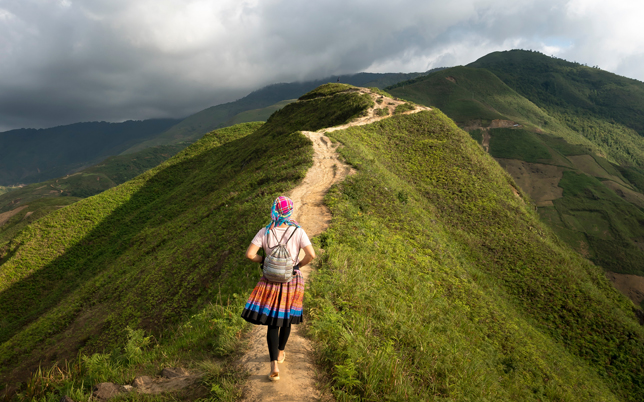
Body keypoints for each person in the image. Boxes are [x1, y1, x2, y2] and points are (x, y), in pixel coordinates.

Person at [241, 196, 316, 381]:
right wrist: (297, 265)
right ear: (289, 211)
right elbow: (311, 255)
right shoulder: (298, 231)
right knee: (286, 319)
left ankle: (274, 364)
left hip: (270, 281)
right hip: (291, 280)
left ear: (274, 210)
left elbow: (250, 255)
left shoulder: (265, 231)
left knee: (273, 323)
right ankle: (281, 352)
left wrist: (264, 260)